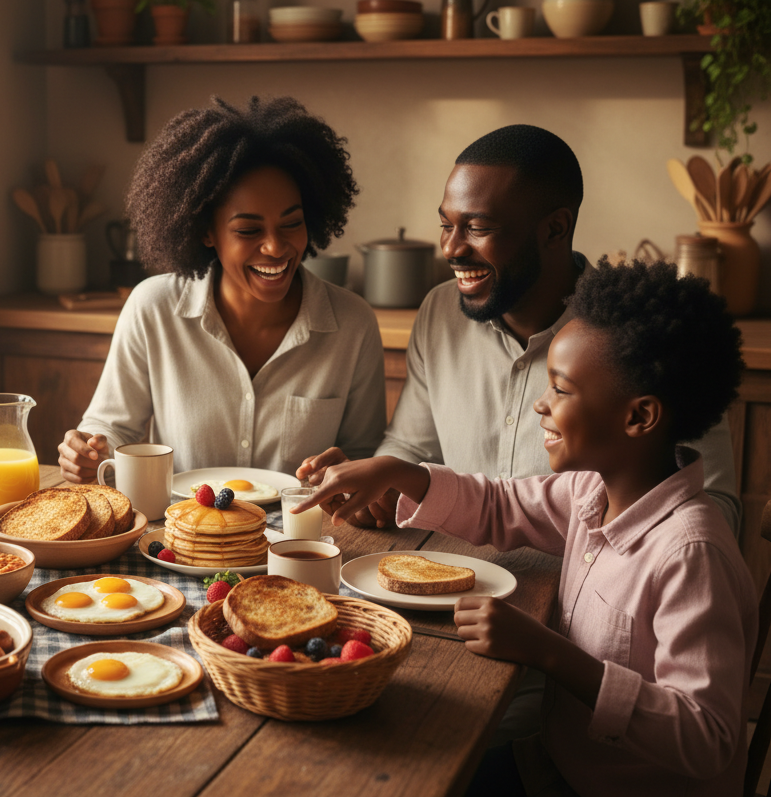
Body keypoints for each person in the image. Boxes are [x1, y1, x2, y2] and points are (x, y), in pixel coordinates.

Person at [296, 258, 756, 797]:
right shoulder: (593, 491)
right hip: (551, 764)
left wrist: (550, 653)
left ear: (639, 417)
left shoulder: (690, 555)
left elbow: (709, 737)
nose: (542, 403)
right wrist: (402, 473)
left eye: (561, 389)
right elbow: (499, 504)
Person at [298, 124, 741, 537]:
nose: (452, 248)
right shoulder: (440, 312)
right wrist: (378, 482)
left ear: (555, 228)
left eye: (478, 228)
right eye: (446, 225)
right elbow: (412, 450)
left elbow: (713, 513)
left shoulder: (643, 335)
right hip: (457, 583)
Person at [58, 96, 385, 482]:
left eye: (291, 224)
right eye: (248, 230)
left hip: (299, 539)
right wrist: (88, 452)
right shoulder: (154, 308)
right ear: (206, 232)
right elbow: (113, 431)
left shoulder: (352, 323)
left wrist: (350, 472)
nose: (275, 247)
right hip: (181, 534)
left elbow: (365, 456)